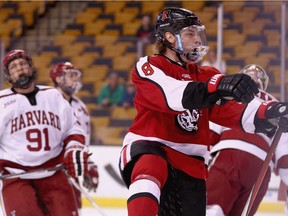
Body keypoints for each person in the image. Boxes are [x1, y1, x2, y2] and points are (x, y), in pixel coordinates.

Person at [118, 8, 288, 216]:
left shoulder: (206, 75)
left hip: (192, 163)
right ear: (170, 37)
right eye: (191, 33)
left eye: (198, 34)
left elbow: (232, 110)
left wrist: (271, 111)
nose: (198, 40)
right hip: (152, 147)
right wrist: (218, 85)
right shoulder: (150, 66)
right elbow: (173, 95)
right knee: (150, 168)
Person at [0, 49, 89, 215]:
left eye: (23, 64)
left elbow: (73, 127)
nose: (19, 69)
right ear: (8, 76)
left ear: (31, 67)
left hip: (54, 173)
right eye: (13, 67)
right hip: (16, 177)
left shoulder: (53, 95)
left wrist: (74, 147)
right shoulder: (2, 102)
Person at [206, 64, 277, 216]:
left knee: (213, 209)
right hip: (262, 167)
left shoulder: (231, 95)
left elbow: (211, 132)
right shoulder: (274, 104)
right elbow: (284, 150)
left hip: (231, 154)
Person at [49, 62, 99, 212]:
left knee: (73, 211)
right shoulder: (47, 101)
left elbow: (84, 140)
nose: (75, 80)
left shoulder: (81, 107)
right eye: (71, 75)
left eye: (76, 76)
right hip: (49, 169)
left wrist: (88, 164)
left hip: (70, 168)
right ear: (58, 79)